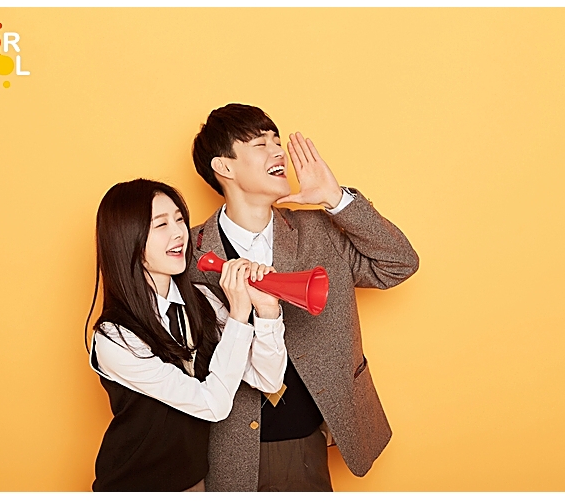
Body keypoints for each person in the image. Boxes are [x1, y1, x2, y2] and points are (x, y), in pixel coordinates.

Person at [189, 104, 420, 491]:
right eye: (261, 144)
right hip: (223, 446)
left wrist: (336, 199)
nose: (278, 152)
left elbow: (399, 264)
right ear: (224, 167)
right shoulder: (188, 252)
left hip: (306, 440)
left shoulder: (320, 230)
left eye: (277, 141)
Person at [85, 179, 287, 492]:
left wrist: (266, 311)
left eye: (179, 219)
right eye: (161, 224)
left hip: (193, 483)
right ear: (128, 239)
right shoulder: (114, 337)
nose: (179, 232)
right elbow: (213, 404)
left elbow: (268, 380)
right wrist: (238, 314)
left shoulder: (203, 300)